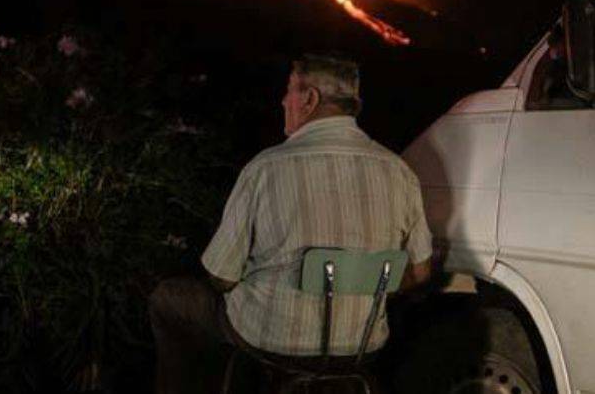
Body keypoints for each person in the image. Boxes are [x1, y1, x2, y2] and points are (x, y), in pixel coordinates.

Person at [149, 54, 434, 393]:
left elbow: (221, 277)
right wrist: (360, 282)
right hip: (361, 347)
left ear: (310, 99)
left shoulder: (266, 169)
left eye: (289, 91)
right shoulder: (400, 173)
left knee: (170, 302)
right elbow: (419, 273)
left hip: (269, 339)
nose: (283, 101)